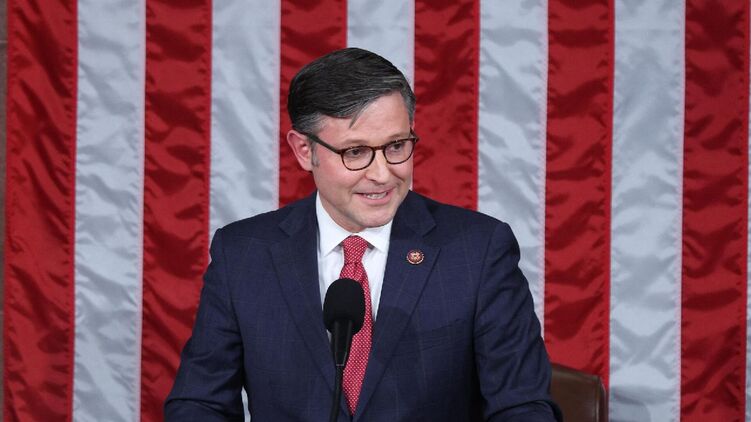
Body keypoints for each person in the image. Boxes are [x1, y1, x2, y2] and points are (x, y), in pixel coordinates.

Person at [165, 47, 561, 422]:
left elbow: (522, 406)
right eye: (355, 152)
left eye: (396, 146)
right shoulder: (243, 255)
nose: (382, 174)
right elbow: (200, 403)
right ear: (304, 150)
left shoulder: (477, 251)